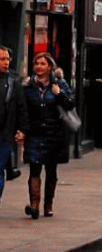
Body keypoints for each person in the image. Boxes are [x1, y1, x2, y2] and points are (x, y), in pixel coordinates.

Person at [21, 52, 74, 219]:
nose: (39, 67)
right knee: (34, 168)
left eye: (42, 64)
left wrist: (59, 94)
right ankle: (34, 205)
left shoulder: (60, 84)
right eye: (36, 64)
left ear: (50, 67)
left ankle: (48, 204)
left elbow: (70, 104)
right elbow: (23, 109)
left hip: (54, 133)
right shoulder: (28, 85)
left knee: (51, 170)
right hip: (35, 133)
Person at [0, 46, 28, 212]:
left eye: (7, 59)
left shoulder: (13, 81)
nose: (6, 62)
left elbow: (21, 108)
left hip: (4, 134)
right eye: (2, 59)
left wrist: (22, 130)